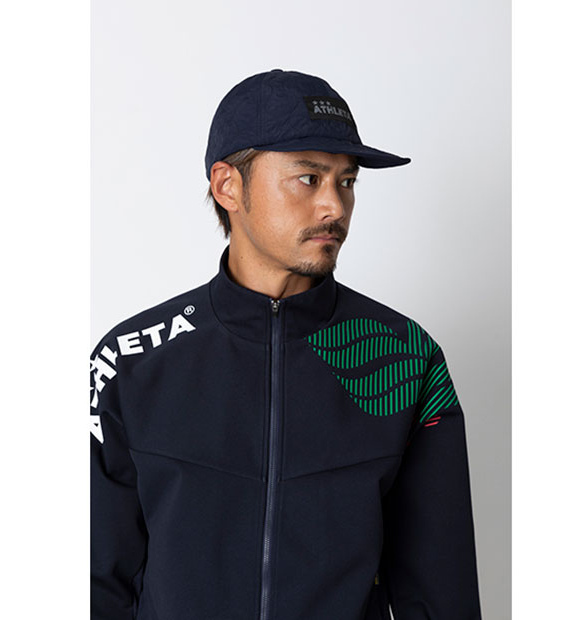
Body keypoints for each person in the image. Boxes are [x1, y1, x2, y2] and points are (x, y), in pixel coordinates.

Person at [90, 68, 483, 620]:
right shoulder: (131, 361)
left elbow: (441, 591)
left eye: (347, 182)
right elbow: (95, 583)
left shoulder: (405, 358)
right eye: (308, 178)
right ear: (228, 186)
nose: (334, 207)